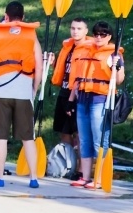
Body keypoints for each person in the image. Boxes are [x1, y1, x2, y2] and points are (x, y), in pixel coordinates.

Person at [0, 1, 42, 189]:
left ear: (6, 16)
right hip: (24, 93)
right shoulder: (31, 35)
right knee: (28, 138)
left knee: (0, 137)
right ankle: (34, 178)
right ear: (23, 17)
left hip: (1, 93)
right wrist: (34, 89)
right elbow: (39, 66)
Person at [67, 21, 124, 189]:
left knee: (99, 139)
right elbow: (77, 79)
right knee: (84, 139)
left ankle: (98, 178)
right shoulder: (85, 50)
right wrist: (70, 100)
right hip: (83, 99)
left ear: (109, 37)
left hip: (100, 100)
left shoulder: (114, 55)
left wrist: (117, 67)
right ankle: (85, 177)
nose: (99, 37)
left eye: (103, 34)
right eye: (96, 34)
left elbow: (119, 80)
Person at [50, 17, 89, 180]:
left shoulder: (88, 49)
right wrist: (53, 63)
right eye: (73, 28)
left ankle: (81, 169)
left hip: (79, 94)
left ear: (86, 31)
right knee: (64, 131)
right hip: (64, 92)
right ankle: (68, 165)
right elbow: (63, 70)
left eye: (79, 29)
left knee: (79, 133)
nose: (75, 31)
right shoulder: (67, 47)